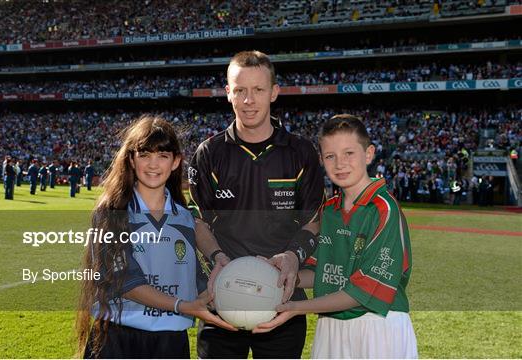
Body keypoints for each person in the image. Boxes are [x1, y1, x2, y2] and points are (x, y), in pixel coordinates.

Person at [188, 50, 324, 358]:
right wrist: (218, 257)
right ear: (228, 94)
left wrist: (291, 256)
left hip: (281, 301)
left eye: (258, 90)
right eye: (240, 90)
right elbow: (198, 221)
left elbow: (313, 219)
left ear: (274, 92)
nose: (249, 100)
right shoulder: (208, 154)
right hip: (220, 299)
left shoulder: (301, 152)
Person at [253, 115, 418, 359]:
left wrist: (296, 308)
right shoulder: (328, 210)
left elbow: (363, 292)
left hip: (377, 325)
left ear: (369, 154)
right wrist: (279, 277)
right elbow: (321, 272)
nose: (340, 163)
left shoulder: (384, 209)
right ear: (322, 159)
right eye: (330, 156)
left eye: (349, 153)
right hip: (330, 325)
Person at [76, 115, 235, 359]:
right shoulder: (111, 213)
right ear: (131, 159)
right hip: (118, 341)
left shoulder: (184, 217)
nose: (153, 164)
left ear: (175, 162)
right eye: (145, 154)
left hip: (169, 343)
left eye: (162, 156)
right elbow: (125, 281)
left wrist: (231, 294)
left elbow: (194, 279)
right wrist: (182, 305)